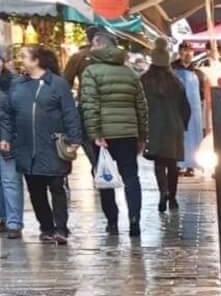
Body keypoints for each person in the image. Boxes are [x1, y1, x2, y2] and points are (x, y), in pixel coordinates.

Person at [0, 44, 83, 245]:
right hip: (26, 146)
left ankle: (61, 228)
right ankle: (46, 227)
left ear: (37, 60)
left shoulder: (57, 84)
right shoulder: (18, 85)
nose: (21, 60)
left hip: (53, 144)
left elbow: (69, 113)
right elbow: (8, 115)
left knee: (56, 187)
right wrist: (6, 137)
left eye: (24, 56)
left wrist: (74, 139)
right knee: (36, 190)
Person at [78, 30, 148, 238]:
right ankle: (134, 219)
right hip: (128, 134)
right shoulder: (130, 73)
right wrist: (142, 136)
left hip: (104, 137)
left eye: (92, 44)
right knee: (131, 177)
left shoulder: (91, 72)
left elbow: (89, 105)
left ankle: (113, 222)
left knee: (105, 178)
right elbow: (141, 107)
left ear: (99, 45)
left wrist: (95, 133)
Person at [142, 39, 190, 213]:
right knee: (172, 163)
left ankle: (163, 192)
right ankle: (173, 197)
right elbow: (186, 107)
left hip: (154, 127)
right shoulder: (176, 82)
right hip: (174, 126)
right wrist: (183, 124)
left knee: (159, 163)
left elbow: (139, 105)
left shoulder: (144, 81)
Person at [0, 52, 23, 238]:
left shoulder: (14, 83)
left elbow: (15, 114)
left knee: (10, 181)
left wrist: (8, 137)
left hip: (9, 140)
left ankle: (14, 222)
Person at [174, 43, 204, 175]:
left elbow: (202, 93)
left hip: (194, 112)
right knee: (178, 136)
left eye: (190, 51)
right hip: (176, 109)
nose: (188, 54)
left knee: (193, 136)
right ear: (180, 52)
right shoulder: (171, 70)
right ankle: (178, 164)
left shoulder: (198, 72)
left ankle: (191, 165)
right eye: (185, 51)